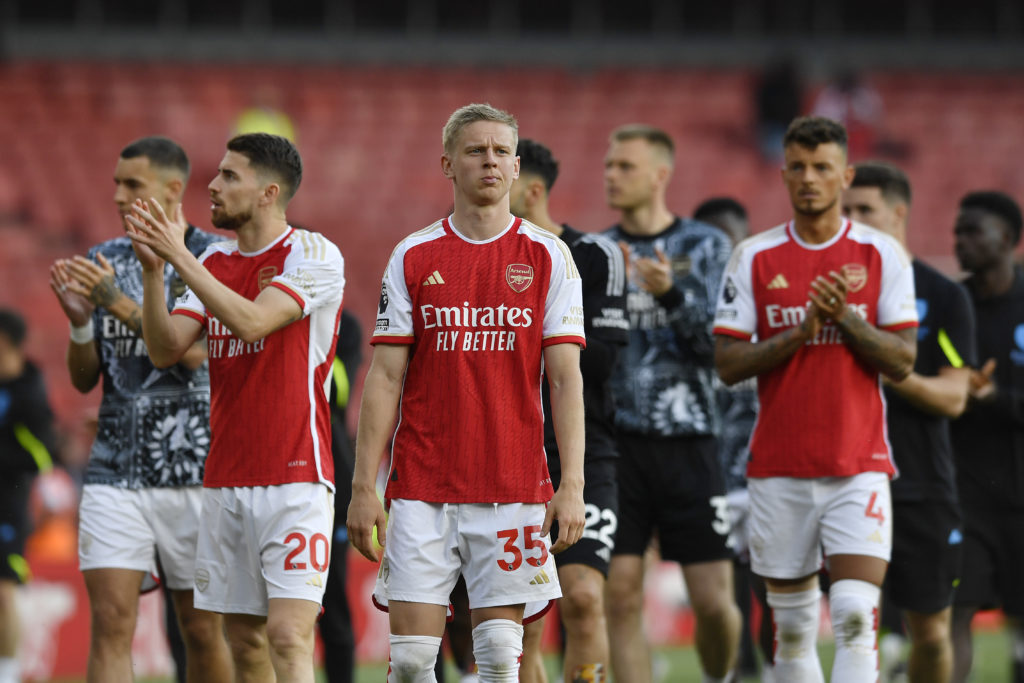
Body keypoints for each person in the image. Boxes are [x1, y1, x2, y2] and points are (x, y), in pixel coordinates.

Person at [346, 103, 587, 682]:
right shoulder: (414, 255)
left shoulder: (548, 256)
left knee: (502, 660)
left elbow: (564, 378)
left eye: (502, 151)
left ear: (517, 165)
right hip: (422, 486)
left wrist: (572, 482)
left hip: (511, 485)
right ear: (448, 164)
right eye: (476, 150)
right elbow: (384, 377)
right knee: (407, 663)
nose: (490, 161)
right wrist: (362, 487)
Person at [125, 132, 345, 683]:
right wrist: (156, 274)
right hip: (225, 477)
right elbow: (165, 347)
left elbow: (252, 322)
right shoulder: (215, 258)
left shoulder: (312, 253)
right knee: (244, 642)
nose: (213, 185)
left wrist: (179, 256)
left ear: (269, 192)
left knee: (288, 635)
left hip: (296, 475)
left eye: (229, 176)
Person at [713, 116, 918, 682]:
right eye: (798, 167)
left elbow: (902, 359)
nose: (809, 178)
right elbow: (728, 364)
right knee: (795, 628)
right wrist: (799, 333)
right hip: (778, 469)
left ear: (844, 175)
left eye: (822, 168)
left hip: (858, 467)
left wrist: (845, 320)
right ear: (783, 174)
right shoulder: (754, 257)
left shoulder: (882, 256)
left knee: (854, 616)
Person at [48, 136, 231, 683]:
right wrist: (82, 323)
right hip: (114, 472)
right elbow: (84, 381)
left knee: (200, 629)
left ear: (174, 190)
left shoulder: (214, 258)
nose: (119, 195)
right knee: (110, 622)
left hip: (198, 473)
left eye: (133, 185)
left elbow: (199, 355)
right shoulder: (103, 262)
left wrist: (114, 303)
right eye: (116, 184)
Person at [602, 124, 741, 683]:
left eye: (625, 167)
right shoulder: (599, 254)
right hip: (618, 448)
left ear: (661, 174)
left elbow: (720, 352)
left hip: (691, 441)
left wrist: (670, 294)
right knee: (620, 598)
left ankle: (718, 677)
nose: (611, 176)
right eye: (609, 165)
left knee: (713, 603)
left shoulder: (707, 247)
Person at [842, 162, 975, 683]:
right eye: (845, 210)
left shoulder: (942, 296)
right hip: (844, 482)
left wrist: (888, 367)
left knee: (932, 632)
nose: (850, 221)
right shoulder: (833, 289)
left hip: (921, 485)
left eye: (864, 210)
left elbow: (952, 397)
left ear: (899, 214)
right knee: (851, 626)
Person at [510, 139, 628, 683]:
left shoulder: (595, 255)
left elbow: (600, 361)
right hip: (510, 448)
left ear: (532, 189)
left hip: (586, 448)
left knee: (582, 597)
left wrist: (532, 331)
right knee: (524, 618)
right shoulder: (479, 256)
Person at [692, 197, 775, 681]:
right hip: (708, 474)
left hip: (768, 470)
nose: (720, 254)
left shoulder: (775, 302)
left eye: (728, 241)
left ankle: (769, 667)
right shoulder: (685, 310)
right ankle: (736, 668)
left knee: (773, 587)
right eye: (709, 243)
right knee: (721, 590)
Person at [947, 190, 1024, 683]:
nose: (960, 241)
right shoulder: (953, 304)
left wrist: (997, 398)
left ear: (1010, 239)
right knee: (955, 611)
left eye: (973, 231)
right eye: (957, 231)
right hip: (964, 493)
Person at [0, 309, 57, 683]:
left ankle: (7, 673)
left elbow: (45, 455)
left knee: (2, 588)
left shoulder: (31, 395)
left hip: (8, 504)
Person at [320, 310, 363, 683]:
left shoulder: (344, 325)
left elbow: (337, 388)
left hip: (331, 478)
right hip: (266, 474)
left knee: (332, 605)